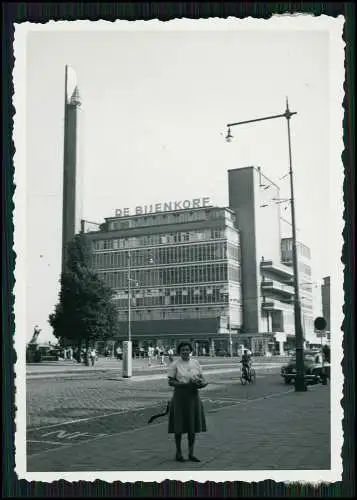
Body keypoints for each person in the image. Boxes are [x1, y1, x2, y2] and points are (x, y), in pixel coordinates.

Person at [167, 341, 207, 462]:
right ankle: (178, 453)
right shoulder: (175, 364)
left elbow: (202, 378)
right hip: (180, 397)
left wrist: (202, 383)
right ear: (179, 352)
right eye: (182, 350)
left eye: (187, 349)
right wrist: (182, 384)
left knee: (192, 425)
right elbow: (171, 382)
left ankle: (191, 453)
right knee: (179, 425)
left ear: (190, 351)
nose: (185, 351)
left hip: (193, 396)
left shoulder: (195, 363)